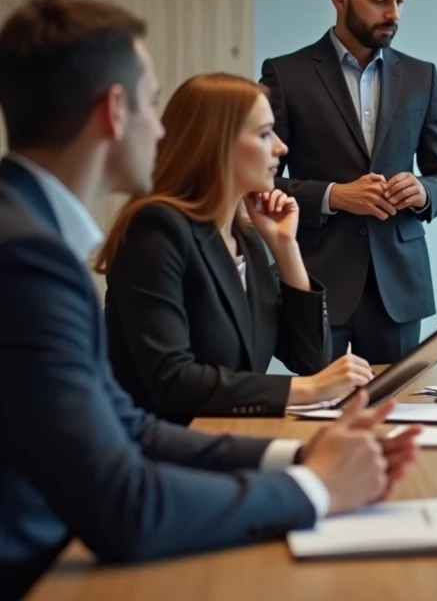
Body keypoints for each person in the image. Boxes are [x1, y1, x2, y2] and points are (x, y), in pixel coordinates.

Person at [0, 0, 420, 597]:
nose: (162, 127)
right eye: (151, 103)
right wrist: (316, 488)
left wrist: (302, 460)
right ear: (114, 112)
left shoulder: (31, 235)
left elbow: (129, 427)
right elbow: (124, 503)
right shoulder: (28, 258)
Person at [96, 73, 375, 424]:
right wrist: (304, 390)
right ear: (215, 144)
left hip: (227, 441)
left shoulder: (246, 240)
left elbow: (312, 361)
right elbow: (172, 381)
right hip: (162, 453)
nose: (280, 147)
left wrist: (286, 249)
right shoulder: (155, 229)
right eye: (263, 134)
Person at [260, 0, 437, 363]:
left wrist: (424, 191)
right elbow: (261, 181)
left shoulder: (420, 77)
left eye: (400, 1)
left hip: (399, 285)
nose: (393, 14)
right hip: (318, 279)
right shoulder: (286, 74)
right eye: (379, 0)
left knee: (397, 410)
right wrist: (335, 195)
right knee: (320, 406)